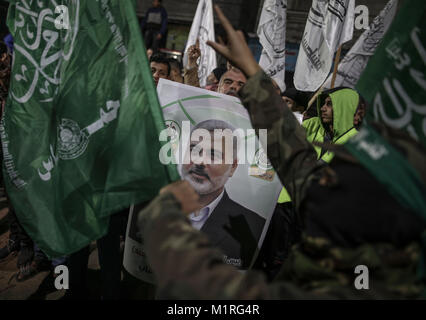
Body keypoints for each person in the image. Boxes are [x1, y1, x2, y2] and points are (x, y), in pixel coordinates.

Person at [136, 5, 426, 299]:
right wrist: (252, 73)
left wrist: (164, 215)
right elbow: (295, 155)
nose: (323, 180)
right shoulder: (343, 207)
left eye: (343, 178)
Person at [180, 120, 266, 268]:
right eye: (194, 150)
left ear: (232, 167)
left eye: (214, 155)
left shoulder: (253, 226)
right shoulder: (149, 201)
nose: (200, 161)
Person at [302, 87, 361, 163]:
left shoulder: (354, 141)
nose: (322, 108)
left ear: (343, 107)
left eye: (329, 104)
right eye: (324, 103)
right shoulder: (313, 123)